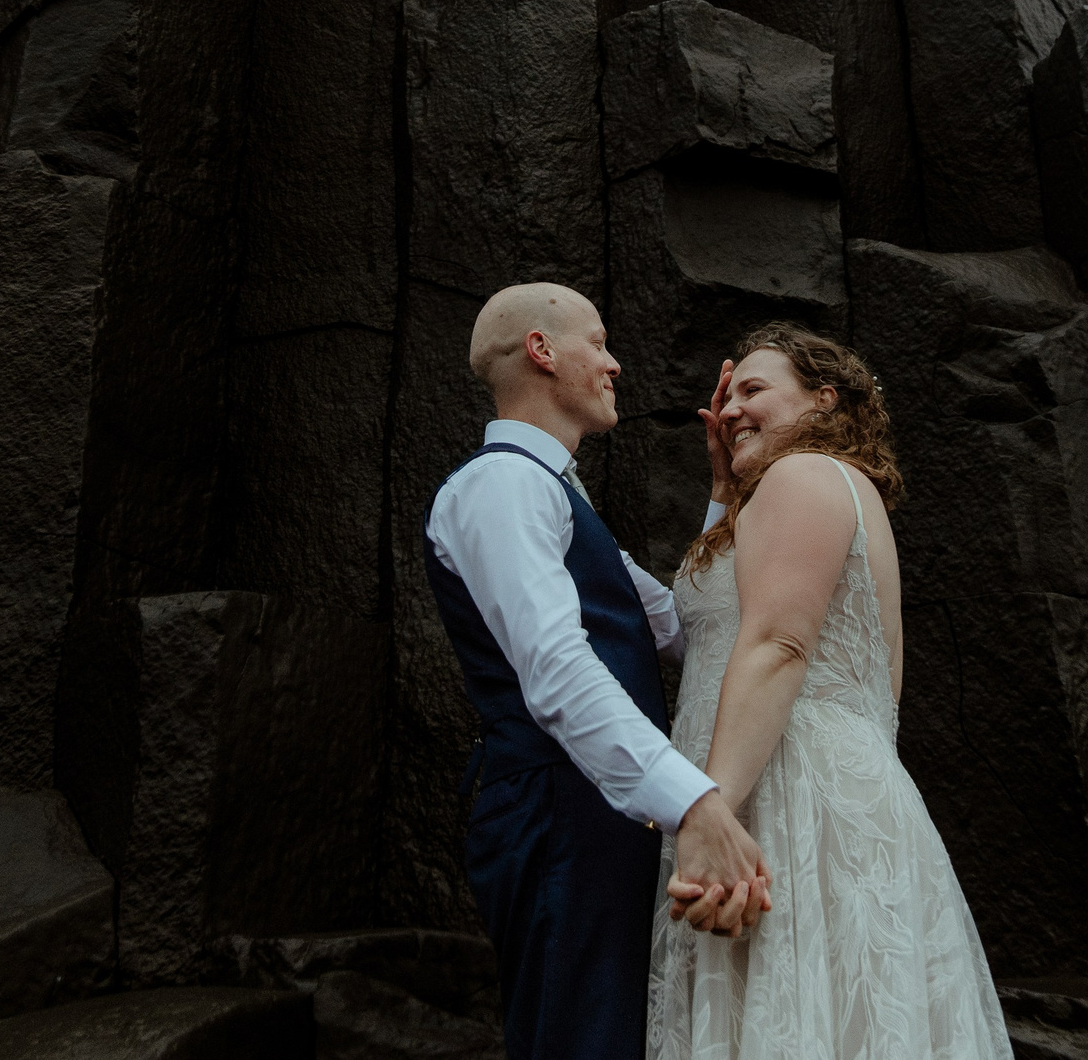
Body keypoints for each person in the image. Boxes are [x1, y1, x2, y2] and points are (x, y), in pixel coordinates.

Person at [422, 282, 774, 1060]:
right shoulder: (501, 484)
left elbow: (679, 630)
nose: (615, 363)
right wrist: (693, 802)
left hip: (596, 809)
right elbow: (556, 669)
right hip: (556, 808)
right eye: (599, 341)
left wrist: (724, 498)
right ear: (543, 351)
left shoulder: (550, 491)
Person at [648, 323, 1013, 1060]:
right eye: (729, 394)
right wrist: (722, 492)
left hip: (786, 793)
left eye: (755, 390)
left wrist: (706, 806)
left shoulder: (805, 474)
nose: (732, 409)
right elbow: (718, 621)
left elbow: (779, 644)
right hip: (792, 781)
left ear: (824, 399)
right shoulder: (788, 492)